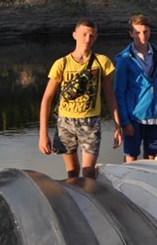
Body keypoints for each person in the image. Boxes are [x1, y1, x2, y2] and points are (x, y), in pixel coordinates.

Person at [38, 19, 122, 178]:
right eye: (84, 34)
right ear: (75, 35)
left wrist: (118, 125)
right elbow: (46, 99)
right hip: (65, 122)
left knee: (89, 172)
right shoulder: (61, 63)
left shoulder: (101, 62)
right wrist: (43, 133)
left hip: (90, 122)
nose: (87, 39)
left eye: (91, 35)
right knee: (72, 171)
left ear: (96, 37)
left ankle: (90, 199)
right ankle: (75, 201)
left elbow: (110, 96)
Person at [114, 14, 157, 162]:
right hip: (134, 116)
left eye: (145, 31)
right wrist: (124, 121)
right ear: (131, 33)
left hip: (156, 115)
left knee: (151, 156)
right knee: (131, 156)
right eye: (137, 32)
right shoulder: (124, 59)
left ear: (150, 31)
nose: (142, 35)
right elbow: (119, 92)